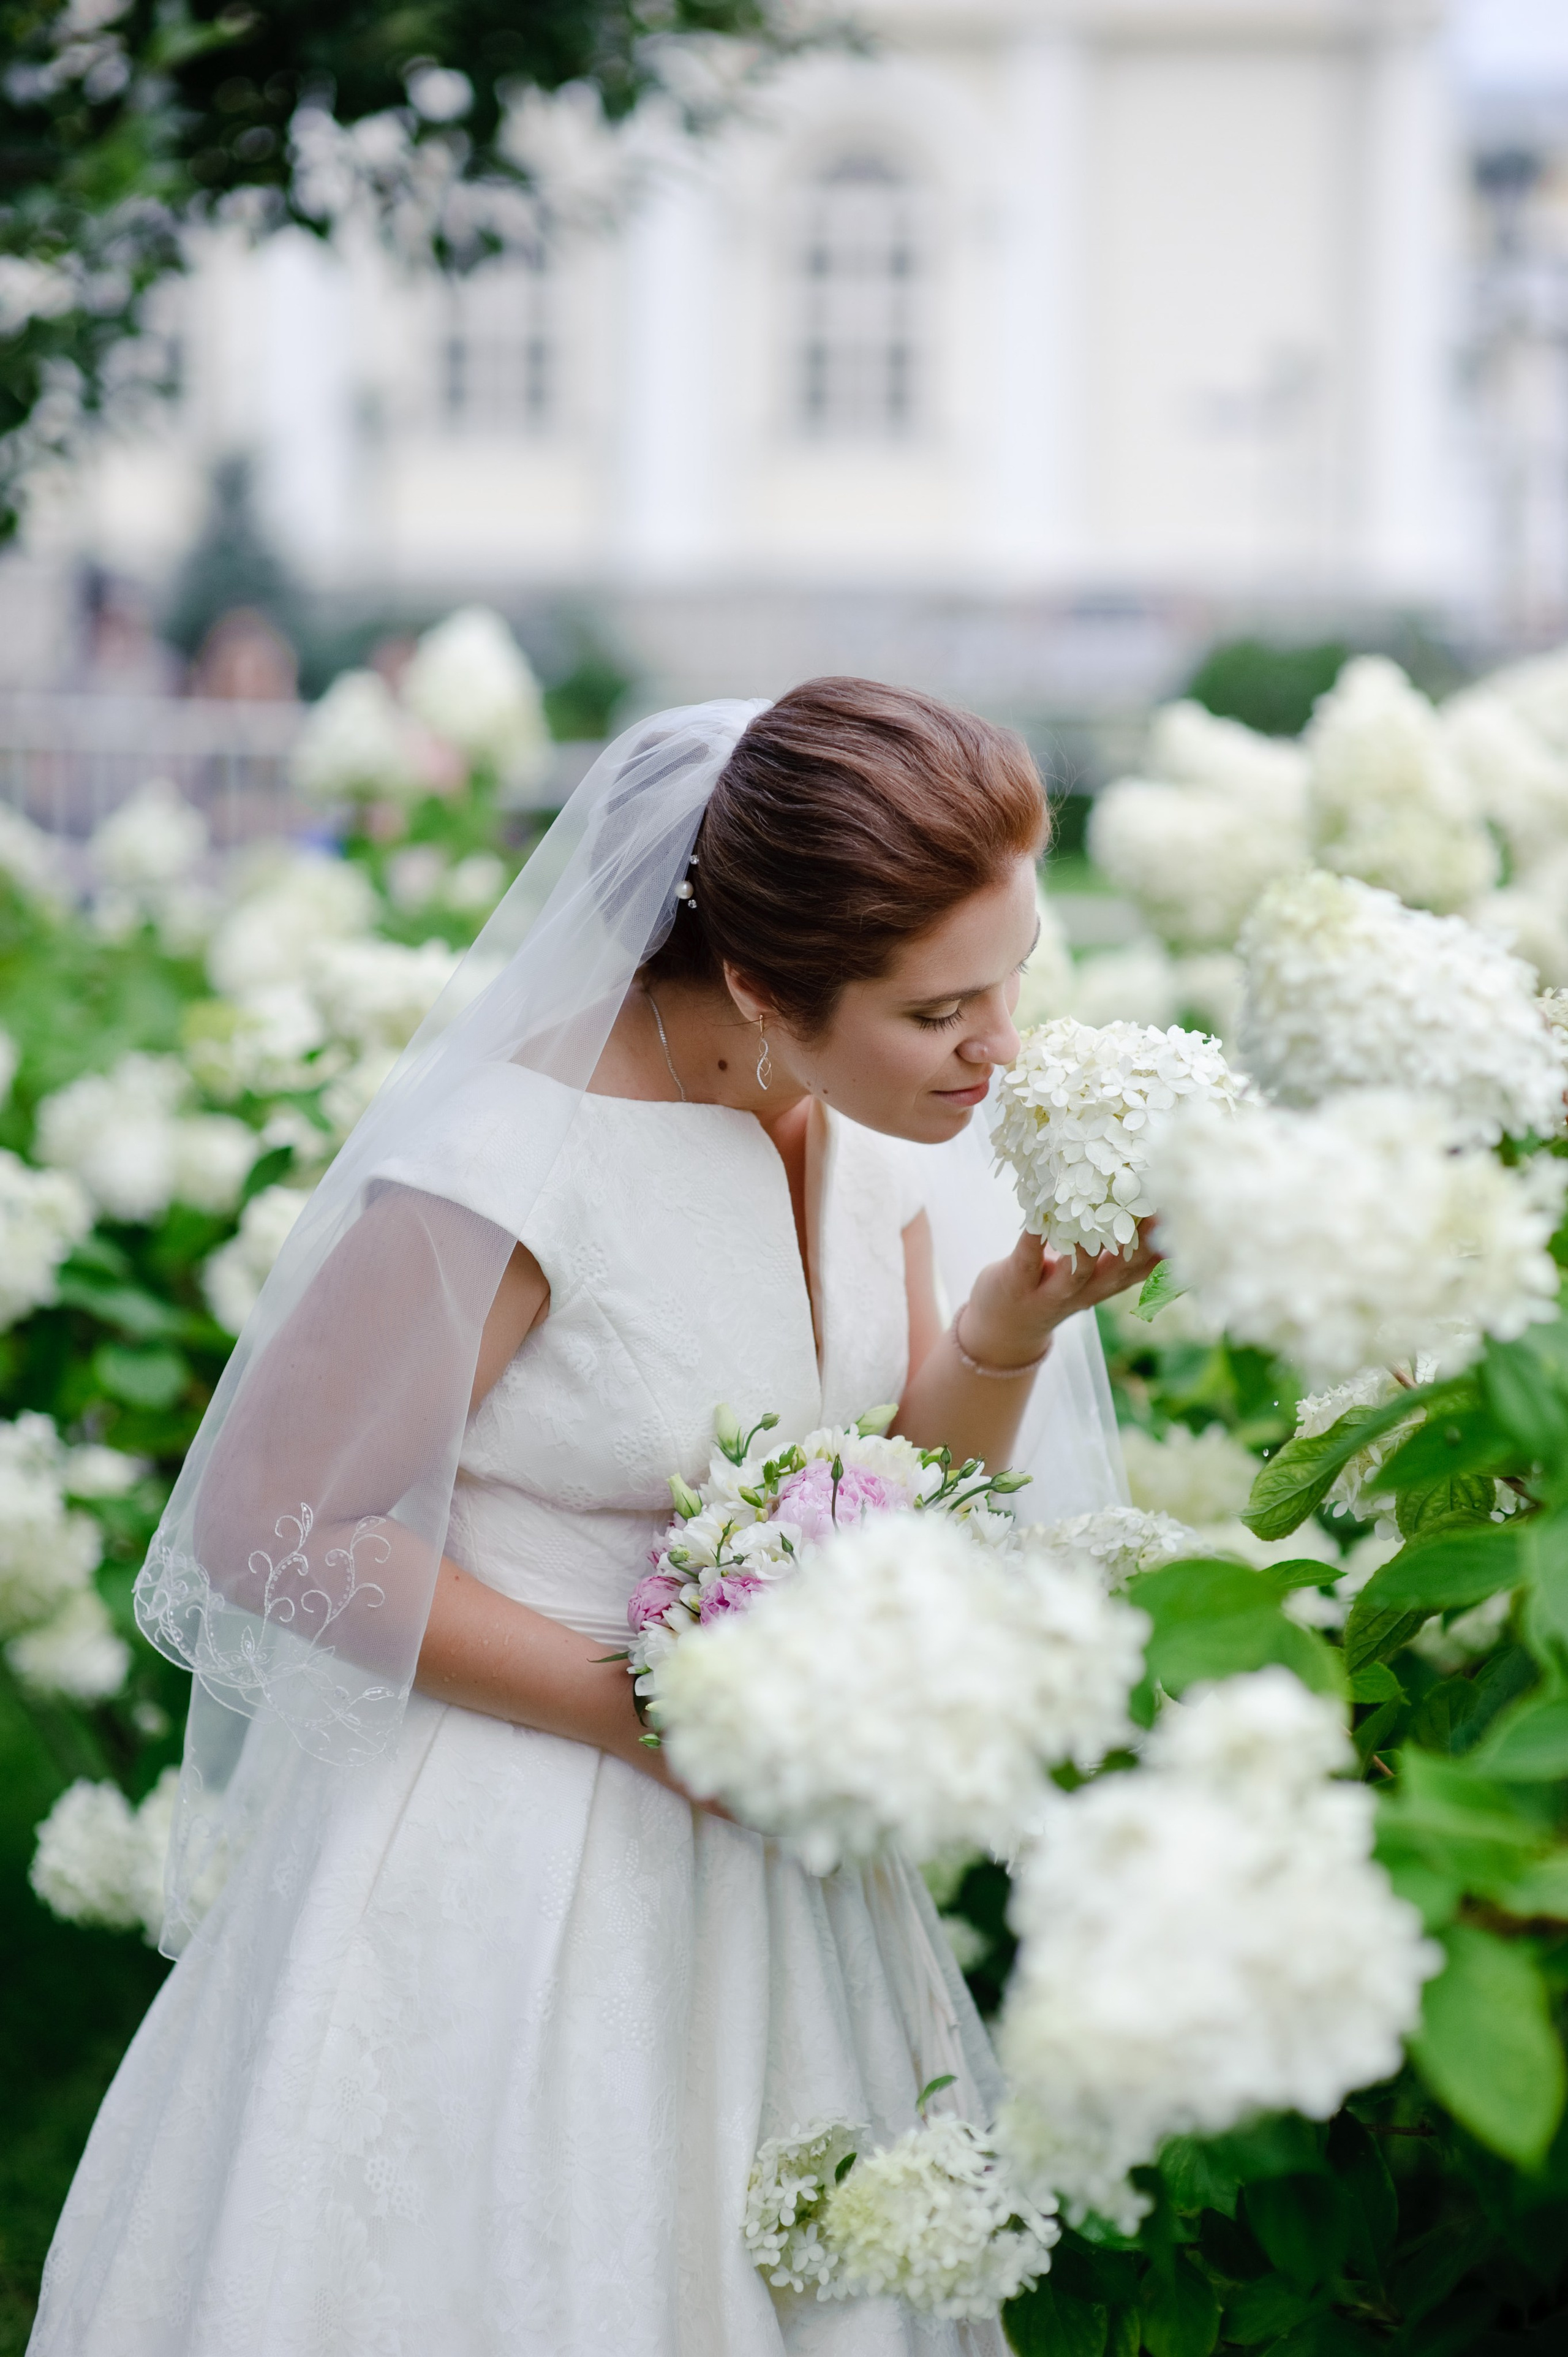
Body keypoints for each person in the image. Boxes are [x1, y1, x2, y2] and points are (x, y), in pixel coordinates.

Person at [31, 679, 1153, 2356]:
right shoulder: (520, 1160)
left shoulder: (875, 1119)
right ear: (765, 984)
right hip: (512, 1852)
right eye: (940, 1011)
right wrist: (662, 1716)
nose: (1001, 1046)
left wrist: (1007, 1330)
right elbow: (269, 1521)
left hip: (782, 1859)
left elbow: (908, 1493)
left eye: (1015, 974)